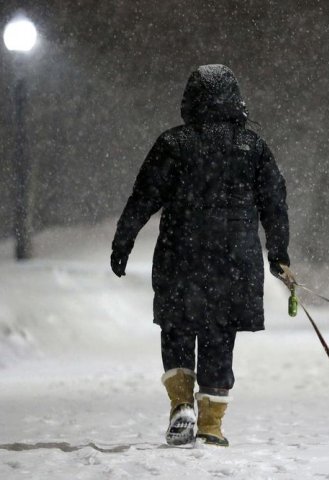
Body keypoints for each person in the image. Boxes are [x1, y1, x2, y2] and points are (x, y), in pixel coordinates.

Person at [110, 64, 291, 447]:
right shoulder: (252, 146)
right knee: (219, 336)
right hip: (235, 260)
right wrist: (278, 254)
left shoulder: (173, 144)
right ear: (235, 100)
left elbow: (143, 197)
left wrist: (123, 241)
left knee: (177, 328)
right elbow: (275, 202)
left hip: (182, 254)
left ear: (190, 100)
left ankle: (181, 405)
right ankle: (211, 423)